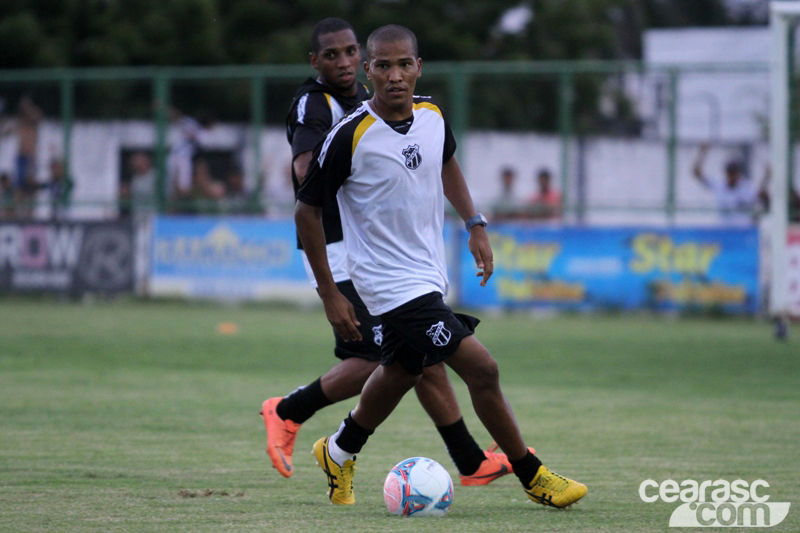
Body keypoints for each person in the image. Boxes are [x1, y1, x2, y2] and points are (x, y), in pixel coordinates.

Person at [295, 24, 587, 508]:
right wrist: (331, 293)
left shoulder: (431, 115)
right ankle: (533, 476)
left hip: (427, 273)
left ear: (418, 67)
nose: (394, 76)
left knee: (402, 371)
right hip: (387, 284)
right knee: (482, 368)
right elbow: (307, 210)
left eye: (404, 64)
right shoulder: (348, 136)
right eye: (383, 66)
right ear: (368, 72)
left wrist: (474, 223)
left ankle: (338, 449)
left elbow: (446, 161)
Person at [261, 17, 522, 488]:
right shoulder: (314, 105)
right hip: (344, 251)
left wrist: (471, 221)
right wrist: (343, 191)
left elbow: (431, 158)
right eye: (332, 55)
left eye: (348, 51)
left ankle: (461, 459)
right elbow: (306, 176)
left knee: (411, 358)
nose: (342, 62)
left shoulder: (383, 102)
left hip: (379, 254)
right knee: (384, 358)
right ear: (318, 62)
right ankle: (288, 411)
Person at [692, 143, 768, 226]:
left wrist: (766, 178)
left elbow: (761, 196)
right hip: (725, 231)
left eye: (734, 173)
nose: (731, 176)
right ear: (726, 173)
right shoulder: (719, 184)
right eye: (729, 173)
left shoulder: (747, 187)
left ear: (738, 173)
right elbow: (697, 174)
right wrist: (702, 153)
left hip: (744, 231)